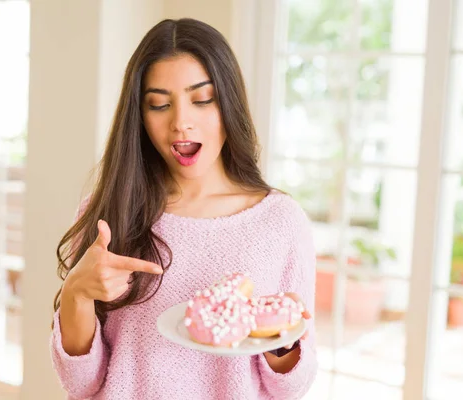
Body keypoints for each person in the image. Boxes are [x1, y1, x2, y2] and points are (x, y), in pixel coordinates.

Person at [50, 18, 317, 400]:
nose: (180, 123)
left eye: (202, 99)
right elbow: (81, 383)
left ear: (228, 103)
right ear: (140, 118)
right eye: (159, 104)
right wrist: (77, 292)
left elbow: (293, 386)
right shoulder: (109, 212)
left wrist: (282, 337)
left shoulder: (278, 221)